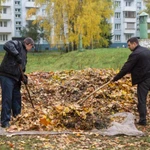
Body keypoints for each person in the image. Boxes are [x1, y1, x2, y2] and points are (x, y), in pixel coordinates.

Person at [112, 37, 150, 126]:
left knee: (142, 100)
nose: (128, 47)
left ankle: (143, 120)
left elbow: (126, 68)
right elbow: (142, 64)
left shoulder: (135, 54)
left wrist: (116, 78)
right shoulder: (147, 51)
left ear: (134, 44)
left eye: (129, 45)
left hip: (144, 79)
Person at [0, 37, 34, 128]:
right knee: (7, 98)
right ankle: (5, 121)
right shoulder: (17, 44)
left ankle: (17, 117)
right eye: (31, 47)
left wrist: (24, 78)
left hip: (16, 78)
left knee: (16, 98)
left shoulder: (25, 54)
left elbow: (21, 69)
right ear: (29, 44)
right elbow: (7, 45)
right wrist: (16, 55)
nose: (31, 49)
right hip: (7, 75)